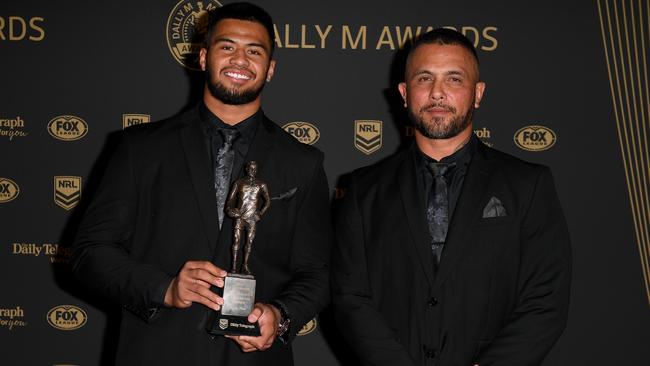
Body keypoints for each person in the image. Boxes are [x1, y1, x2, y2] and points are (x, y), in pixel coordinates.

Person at [72, 3, 332, 365]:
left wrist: (281, 315)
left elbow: (318, 272)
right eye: (227, 47)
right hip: (157, 354)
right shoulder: (140, 149)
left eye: (254, 51)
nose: (240, 60)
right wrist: (164, 288)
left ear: (270, 69)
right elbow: (90, 253)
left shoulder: (302, 162)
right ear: (203, 57)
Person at [331, 28, 571, 366]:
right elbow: (350, 297)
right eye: (424, 79)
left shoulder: (528, 185)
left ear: (477, 93)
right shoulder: (362, 190)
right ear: (404, 92)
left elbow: (545, 300)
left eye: (454, 79)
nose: (437, 93)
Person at [226, 160, 270, 275]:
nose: (253, 171)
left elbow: (268, 201)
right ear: (246, 169)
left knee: (249, 243)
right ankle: (234, 267)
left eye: (255, 169)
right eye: (251, 168)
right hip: (240, 216)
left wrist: (260, 213)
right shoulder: (239, 183)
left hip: (252, 218)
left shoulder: (261, 184)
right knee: (236, 241)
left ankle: (245, 265)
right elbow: (230, 201)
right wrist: (230, 210)